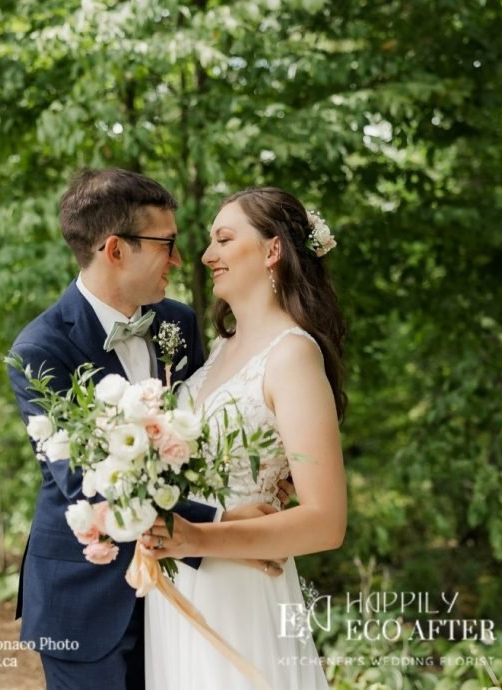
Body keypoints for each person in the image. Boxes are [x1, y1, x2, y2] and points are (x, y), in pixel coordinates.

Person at [7, 169, 285, 690]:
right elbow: (89, 483)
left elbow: (206, 430)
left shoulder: (179, 323)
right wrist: (222, 523)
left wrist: (264, 467)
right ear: (116, 249)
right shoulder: (39, 349)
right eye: (167, 244)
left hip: (182, 597)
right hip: (83, 596)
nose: (181, 260)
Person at [139, 187, 348, 690]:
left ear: (272, 250)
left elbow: (326, 522)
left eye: (224, 239)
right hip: (179, 587)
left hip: (242, 591)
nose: (207, 255)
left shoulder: (293, 355)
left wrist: (196, 537)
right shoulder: (217, 351)